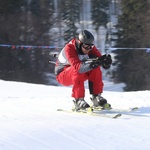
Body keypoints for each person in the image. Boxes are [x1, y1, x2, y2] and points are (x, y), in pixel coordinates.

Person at [55, 30, 112, 110]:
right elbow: (78, 67)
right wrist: (93, 64)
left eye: (91, 46)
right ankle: (78, 100)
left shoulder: (90, 47)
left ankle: (96, 97)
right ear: (79, 43)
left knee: (95, 67)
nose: (88, 49)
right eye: (86, 46)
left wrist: (105, 62)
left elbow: (99, 61)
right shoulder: (70, 48)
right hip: (63, 75)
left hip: (78, 72)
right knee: (79, 69)